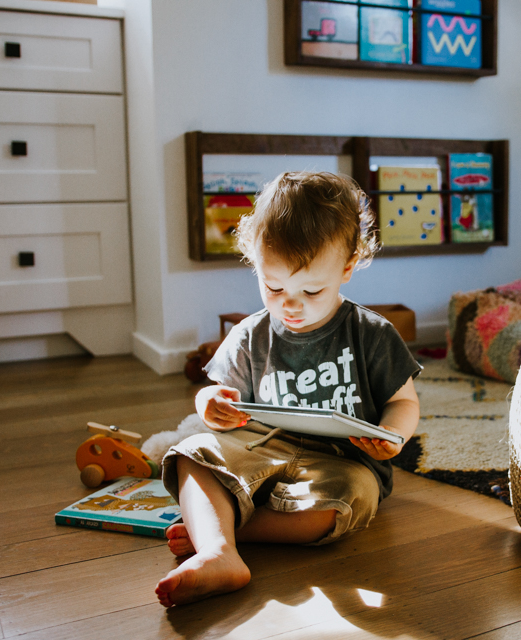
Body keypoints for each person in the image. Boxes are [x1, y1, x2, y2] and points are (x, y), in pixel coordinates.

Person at [155, 171, 422, 607]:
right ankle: (218, 553)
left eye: (311, 290)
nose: (290, 304)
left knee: (349, 500)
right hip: (261, 447)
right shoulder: (249, 334)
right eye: (273, 286)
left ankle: (228, 530)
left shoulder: (372, 334)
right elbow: (216, 394)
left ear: (347, 267)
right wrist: (209, 404)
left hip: (341, 462)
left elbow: (403, 401)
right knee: (192, 453)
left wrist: (393, 435)